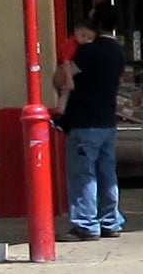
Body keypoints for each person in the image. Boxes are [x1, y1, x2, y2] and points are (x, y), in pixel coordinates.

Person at [55, 15, 129, 240]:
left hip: (85, 120)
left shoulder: (87, 52)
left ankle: (86, 223)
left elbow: (61, 80)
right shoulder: (117, 52)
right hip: (107, 120)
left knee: (83, 173)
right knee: (107, 172)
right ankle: (111, 221)